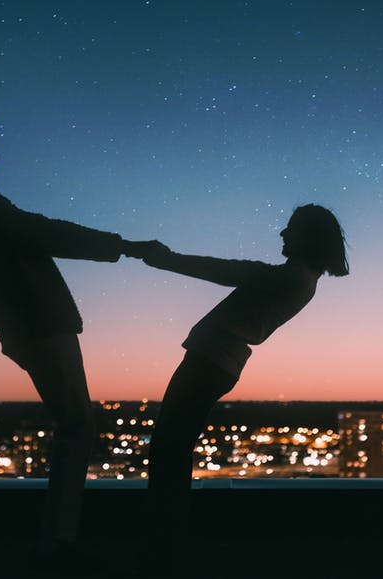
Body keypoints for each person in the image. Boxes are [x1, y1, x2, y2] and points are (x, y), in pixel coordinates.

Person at [0, 107, 157, 571]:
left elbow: (30, 234)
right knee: (77, 425)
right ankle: (56, 546)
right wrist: (123, 246)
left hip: (31, 319)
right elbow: (40, 232)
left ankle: (57, 542)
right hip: (35, 320)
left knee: (76, 424)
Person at [140, 204, 349, 554]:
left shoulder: (294, 277)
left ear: (310, 237)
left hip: (210, 361)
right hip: (218, 361)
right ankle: (165, 541)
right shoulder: (299, 278)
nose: (282, 233)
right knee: (171, 449)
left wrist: (167, 259)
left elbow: (228, 271)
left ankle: (164, 544)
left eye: (291, 228)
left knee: (169, 450)